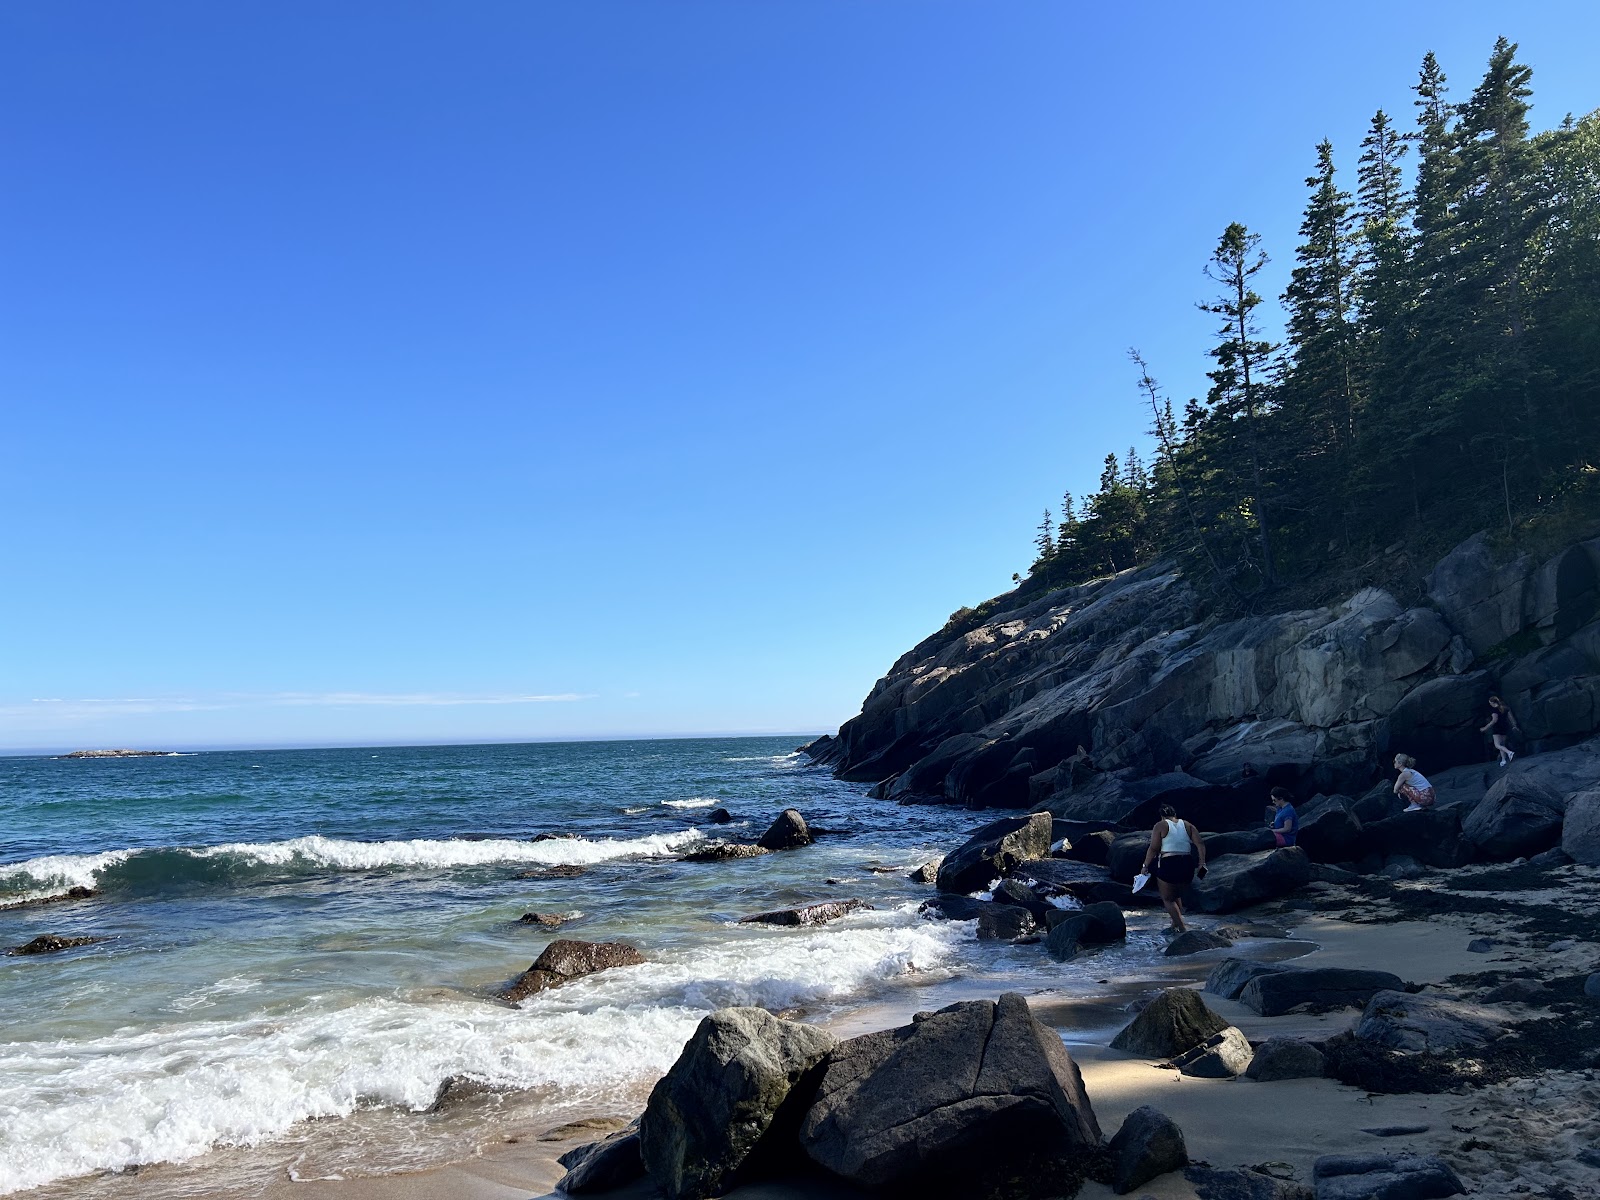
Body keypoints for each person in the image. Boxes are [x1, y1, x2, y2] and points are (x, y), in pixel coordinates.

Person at [1140, 804, 1207, 934]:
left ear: (1161, 816)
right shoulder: (1188, 825)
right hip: (1187, 863)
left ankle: (1182, 929)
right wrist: (1201, 863)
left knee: (1168, 898)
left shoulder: (1160, 825)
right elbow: (1200, 843)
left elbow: (1153, 848)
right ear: (1175, 814)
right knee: (1176, 895)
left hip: (1169, 862)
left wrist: (1145, 866)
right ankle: (1174, 924)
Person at [1480, 695, 1519, 767]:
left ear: (1492, 702)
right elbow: (1511, 718)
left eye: (1490, 703)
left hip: (1497, 728)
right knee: (1502, 744)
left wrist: (1485, 728)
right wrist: (1514, 726)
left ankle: (1509, 752)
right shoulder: (1505, 708)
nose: (1490, 704)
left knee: (1497, 745)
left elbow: (1494, 720)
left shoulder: (1494, 710)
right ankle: (1503, 760)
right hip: (1504, 727)